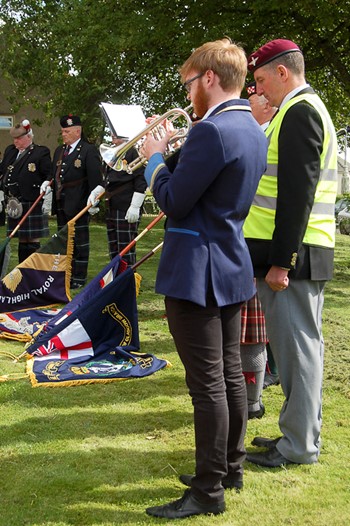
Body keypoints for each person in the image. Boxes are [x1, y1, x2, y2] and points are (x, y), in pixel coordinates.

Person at [141, 38, 267, 519]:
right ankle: (229, 468)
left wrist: (154, 157)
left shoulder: (212, 132)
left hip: (199, 269)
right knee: (230, 375)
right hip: (229, 263)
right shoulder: (248, 125)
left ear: (209, 78)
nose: (187, 91)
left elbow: (173, 200)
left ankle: (208, 490)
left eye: (189, 83)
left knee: (207, 385)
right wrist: (175, 146)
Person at [243, 39, 338, 467]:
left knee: (297, 352)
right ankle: (297, 434)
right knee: (300, 349)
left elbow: (296, 195)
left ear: (283, 73)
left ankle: (299, 445)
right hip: (301, 252)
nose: (259, 91)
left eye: (262, 80)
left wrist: (282, 261)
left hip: (294, 257)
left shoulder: (299, 112)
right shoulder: (300, 110)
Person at [41, 114, 104, 289]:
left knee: (79, 242)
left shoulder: (87, 150)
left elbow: (95, 179)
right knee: (64, 240)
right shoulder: (60, 151)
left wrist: (94, 200)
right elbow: (54, 173)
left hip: (79, 201)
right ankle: (65, 273)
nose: (64, 134)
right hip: (62, 201)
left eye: (67, 131)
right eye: (62, 131)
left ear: (78, 131)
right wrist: (48, 182)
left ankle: (79, 276)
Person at [0, 119, 51, 263]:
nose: (15, 141)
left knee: (32, 237)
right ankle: (22, 267)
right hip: (14, 201)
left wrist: (47, 184)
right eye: (14, 138)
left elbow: (48, 173)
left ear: (29, 136)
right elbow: (3, 170)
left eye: (19, 138)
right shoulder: (11, 151)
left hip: (31, 199)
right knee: (21, 237)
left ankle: (32, 267)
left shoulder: (41, 152)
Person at [103, 135, 147, 266]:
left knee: (125, 249)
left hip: (126, 205)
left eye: (116, 138)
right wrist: (97, 191)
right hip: (112, 203)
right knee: (114, 247)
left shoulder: (135, 151)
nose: (113, 141)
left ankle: (127, 281)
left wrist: (135, 205)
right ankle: (115, 280)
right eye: (112, 137)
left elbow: (141, 180)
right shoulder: (113, 152)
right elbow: (108, 177)